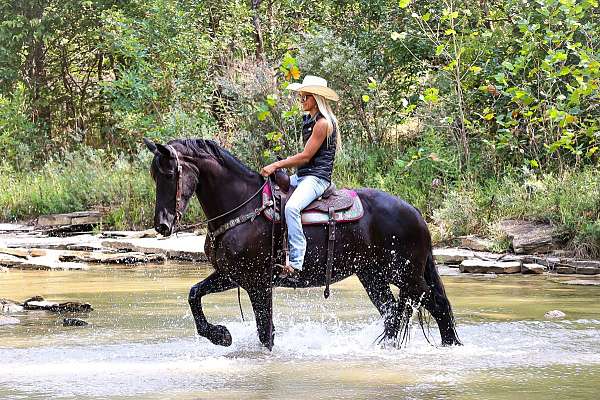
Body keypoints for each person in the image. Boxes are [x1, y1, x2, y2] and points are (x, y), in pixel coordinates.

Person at [260, 75, 341, 277]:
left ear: (316, 98)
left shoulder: (323, 123)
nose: (302, 101)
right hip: (303, 176)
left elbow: (305, 156)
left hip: (317, 179)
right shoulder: (310, 120)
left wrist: (276, 165)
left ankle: (296, 262)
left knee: (292, 207)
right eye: (301, 97)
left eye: (305, 97)